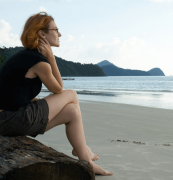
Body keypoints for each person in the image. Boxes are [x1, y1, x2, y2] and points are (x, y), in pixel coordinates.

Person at [0, 12, 113, 176]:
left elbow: (14, 93)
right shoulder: (39, 62)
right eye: (56, 29)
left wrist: (41, 104)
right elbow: (59, 89)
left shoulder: (23, 57)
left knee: (72, 112)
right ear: (42, 33)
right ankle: (83, 150)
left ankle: (86, 161)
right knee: (71, 93)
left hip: (8, 120)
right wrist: (51, 58)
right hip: (12, 120)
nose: (59, 34)